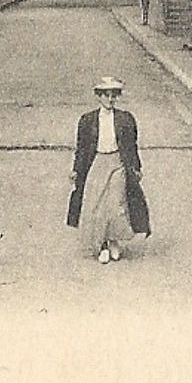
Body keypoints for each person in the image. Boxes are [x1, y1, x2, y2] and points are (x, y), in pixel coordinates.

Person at [66, 76, 151, 263]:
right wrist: (76, 170)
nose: (110, 99)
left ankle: (114, 241)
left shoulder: (125, 119)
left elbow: (131, 145)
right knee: (97, 206)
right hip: (96, 163)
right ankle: (103, 244)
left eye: (114, 95)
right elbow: (81, 148)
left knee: (116, 203)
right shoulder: (87, 120)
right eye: (106, 95)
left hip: (117, 163)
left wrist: (136, 167)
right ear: (99, 96)